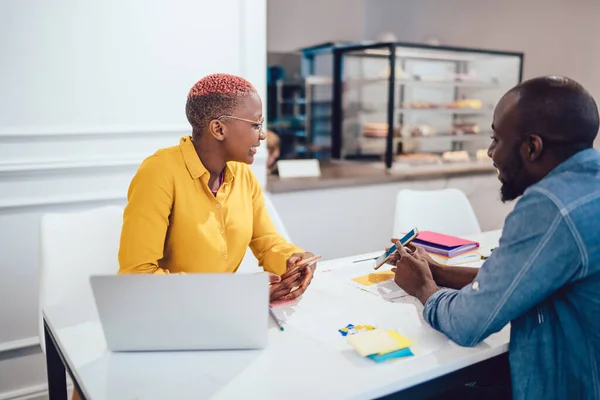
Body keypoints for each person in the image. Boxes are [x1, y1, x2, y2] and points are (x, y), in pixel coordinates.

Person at [392, 76, 600, 399]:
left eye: (496, 140)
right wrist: (441, 272)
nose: (490, 153)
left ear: (532, 147)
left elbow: (467, 323)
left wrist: (424, 288)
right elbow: (527, 278)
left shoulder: (550, 206)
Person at [118, 73, 316, 302]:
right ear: (219, 129)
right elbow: (137, 276)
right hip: (172, 317)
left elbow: (267, 241)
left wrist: (294, 260)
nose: (262, 135)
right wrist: (238, 294)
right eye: (255, 124)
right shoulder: (159, 172)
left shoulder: (242, 174)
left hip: (225, 314)